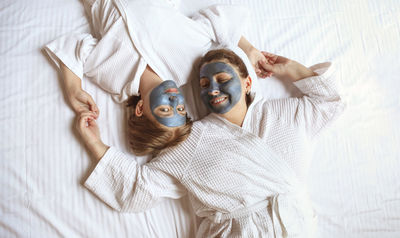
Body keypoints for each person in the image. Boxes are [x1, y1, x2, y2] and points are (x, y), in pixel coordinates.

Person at [77, 48, 345, 237]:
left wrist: (289, 69)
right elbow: (139, 190)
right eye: (204, 85)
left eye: (223, 80)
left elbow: (331, 101)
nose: (212, 89)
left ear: (248, 82)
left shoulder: (287, 114)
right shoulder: (191, 141)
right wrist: (95, 144)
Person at [44, 0, 269, 155]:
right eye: (181, 110)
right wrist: (249, 50)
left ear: (141, 108)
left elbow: (75, 48)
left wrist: (73, 88)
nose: (176, 102)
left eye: (165, 111)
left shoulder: (116, 79)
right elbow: (217, 20)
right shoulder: (188, 61)